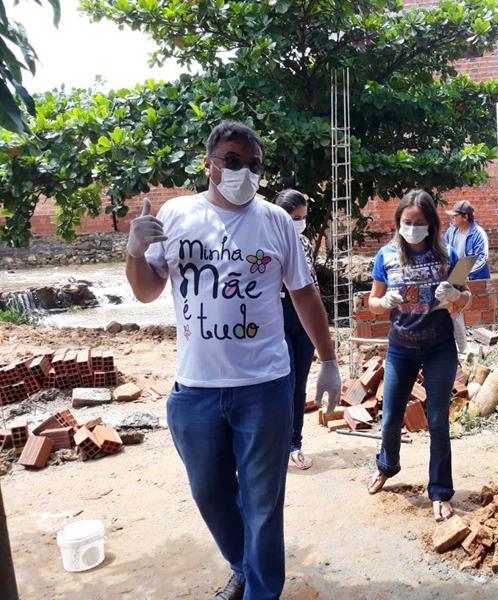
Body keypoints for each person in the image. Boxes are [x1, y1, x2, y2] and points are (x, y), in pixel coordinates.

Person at [125, 120, 341, 600]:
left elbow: (303, 295)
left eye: (254, 164)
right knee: (210, 493)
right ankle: (243, 565)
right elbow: (145, 291)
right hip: (195, 390)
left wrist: (328, 360)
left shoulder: (276, 221)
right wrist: (135, 251)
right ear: (209, 165)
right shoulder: (177, 215)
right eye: (234, 161)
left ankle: (262, 590)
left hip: (263, 387)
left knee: (264, 502)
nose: (246, 171)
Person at [365, 189, 472, 522]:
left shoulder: (448, 256)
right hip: (401, 347)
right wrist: (383, 303)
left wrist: (455, 293)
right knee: (392, 414)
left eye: (420, 223)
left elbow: (465, 298)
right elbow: (372, 300)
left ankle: (440, 490)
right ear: (398, 222)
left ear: (432, 224)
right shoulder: (386, 256)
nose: (412, 228)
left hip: (439, 346)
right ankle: (387, 466)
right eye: (406, 222)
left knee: (438, 419)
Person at [274, 189, 318, 470]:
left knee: (299, 385)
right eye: (294, 217)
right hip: (276, 316)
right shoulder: (265, 244)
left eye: (302, 218)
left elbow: (310, 288)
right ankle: (275, 446)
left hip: (302, 319)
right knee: (282, 384)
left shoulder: (304, 243)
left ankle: (295, 444)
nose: (299, 223)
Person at [444, 200, 491, 280]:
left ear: (465, 217)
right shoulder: (450, 232)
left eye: (455, 215)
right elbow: (444, 252)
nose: (452, 218)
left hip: (476, 280)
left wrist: (459, 274)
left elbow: (481, 259)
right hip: (456, 280)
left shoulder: (478, 234)